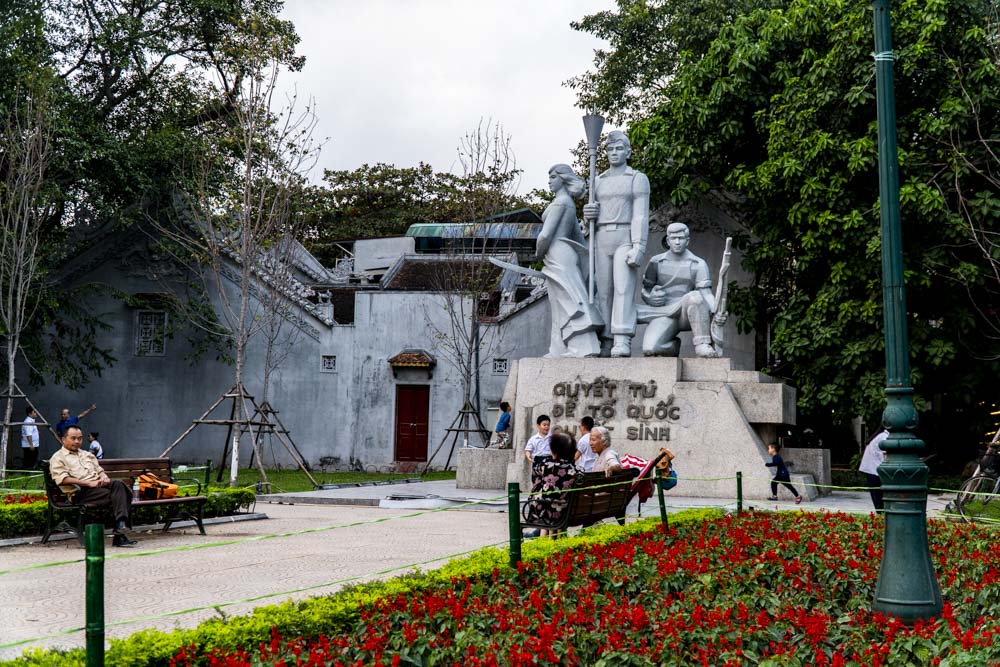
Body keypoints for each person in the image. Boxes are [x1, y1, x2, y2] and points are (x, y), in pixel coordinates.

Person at [582, 130, 650, 357]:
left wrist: (639, 245)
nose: (614, 153)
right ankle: (606, 340)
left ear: (628, 152)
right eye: (610, 149)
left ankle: (622, 338)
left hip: (624, 236)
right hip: (601, 237)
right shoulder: (598, 181)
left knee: (623, 288)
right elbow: (590, 217)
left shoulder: (636, 178)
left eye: (619, 148)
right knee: (604, 292)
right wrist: (588, 214)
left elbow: (640, 215)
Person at [537, 164, 603, 357]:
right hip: (563, 254)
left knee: (570, 301)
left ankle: (584, 347)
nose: (549, 181)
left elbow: (545, 236)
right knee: (560, 303)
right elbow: (579, 238)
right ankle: (557, 348)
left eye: (552, 177)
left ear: (563, 179)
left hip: (557, 254)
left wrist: (538, 253)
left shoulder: (561, 203)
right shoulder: (569, 204)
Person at [638, 222, 726, 358]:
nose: (677, 242)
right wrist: (650, 297)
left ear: (687, 240)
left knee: (695, 296)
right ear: (668, 240)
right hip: (664, 312)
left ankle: (702, 343)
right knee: (651, 348)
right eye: (674, 238)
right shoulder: (656, 262)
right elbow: (645, 290)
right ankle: (673, 346)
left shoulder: (698, 264)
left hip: (686, 312)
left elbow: (706, 294)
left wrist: (716, 309)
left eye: (681, 238)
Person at [48, 425, 136, 547]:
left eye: (80, 438)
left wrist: (104, 477)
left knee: (118, 484)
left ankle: (121, 525)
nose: (77, 441)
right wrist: (88, 483)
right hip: (80, 492)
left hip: (98, 487)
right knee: (124, 494)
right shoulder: (58, 457)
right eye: (73, 438)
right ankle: (120, 533)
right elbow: (62, 479)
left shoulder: (87, 455)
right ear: (63, 439)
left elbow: (99, 470)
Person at [524, 432, 583, 537]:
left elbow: (535, 477)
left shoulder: (546, 466)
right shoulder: (575, 470)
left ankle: (544, 538)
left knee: (541, 490)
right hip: (567, 510)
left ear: (554, 451)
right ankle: (554, 535)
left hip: (545, 509)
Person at [859, 429, 888, 512]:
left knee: (878, 503)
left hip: (872, 471)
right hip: (876, 472)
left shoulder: (881, 435)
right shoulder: (884, 437)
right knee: (881, 504)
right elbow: (886, 458)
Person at [524, 415, 552, 479]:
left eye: (548, 425)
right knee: (537, 480)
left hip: (550, 460)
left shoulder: (553, 438)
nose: (547, 427)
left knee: (549, 480)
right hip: (538, 460)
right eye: (544, 425)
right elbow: (528, 450)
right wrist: (529, 457)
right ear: (538, 425)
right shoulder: (533, 439)